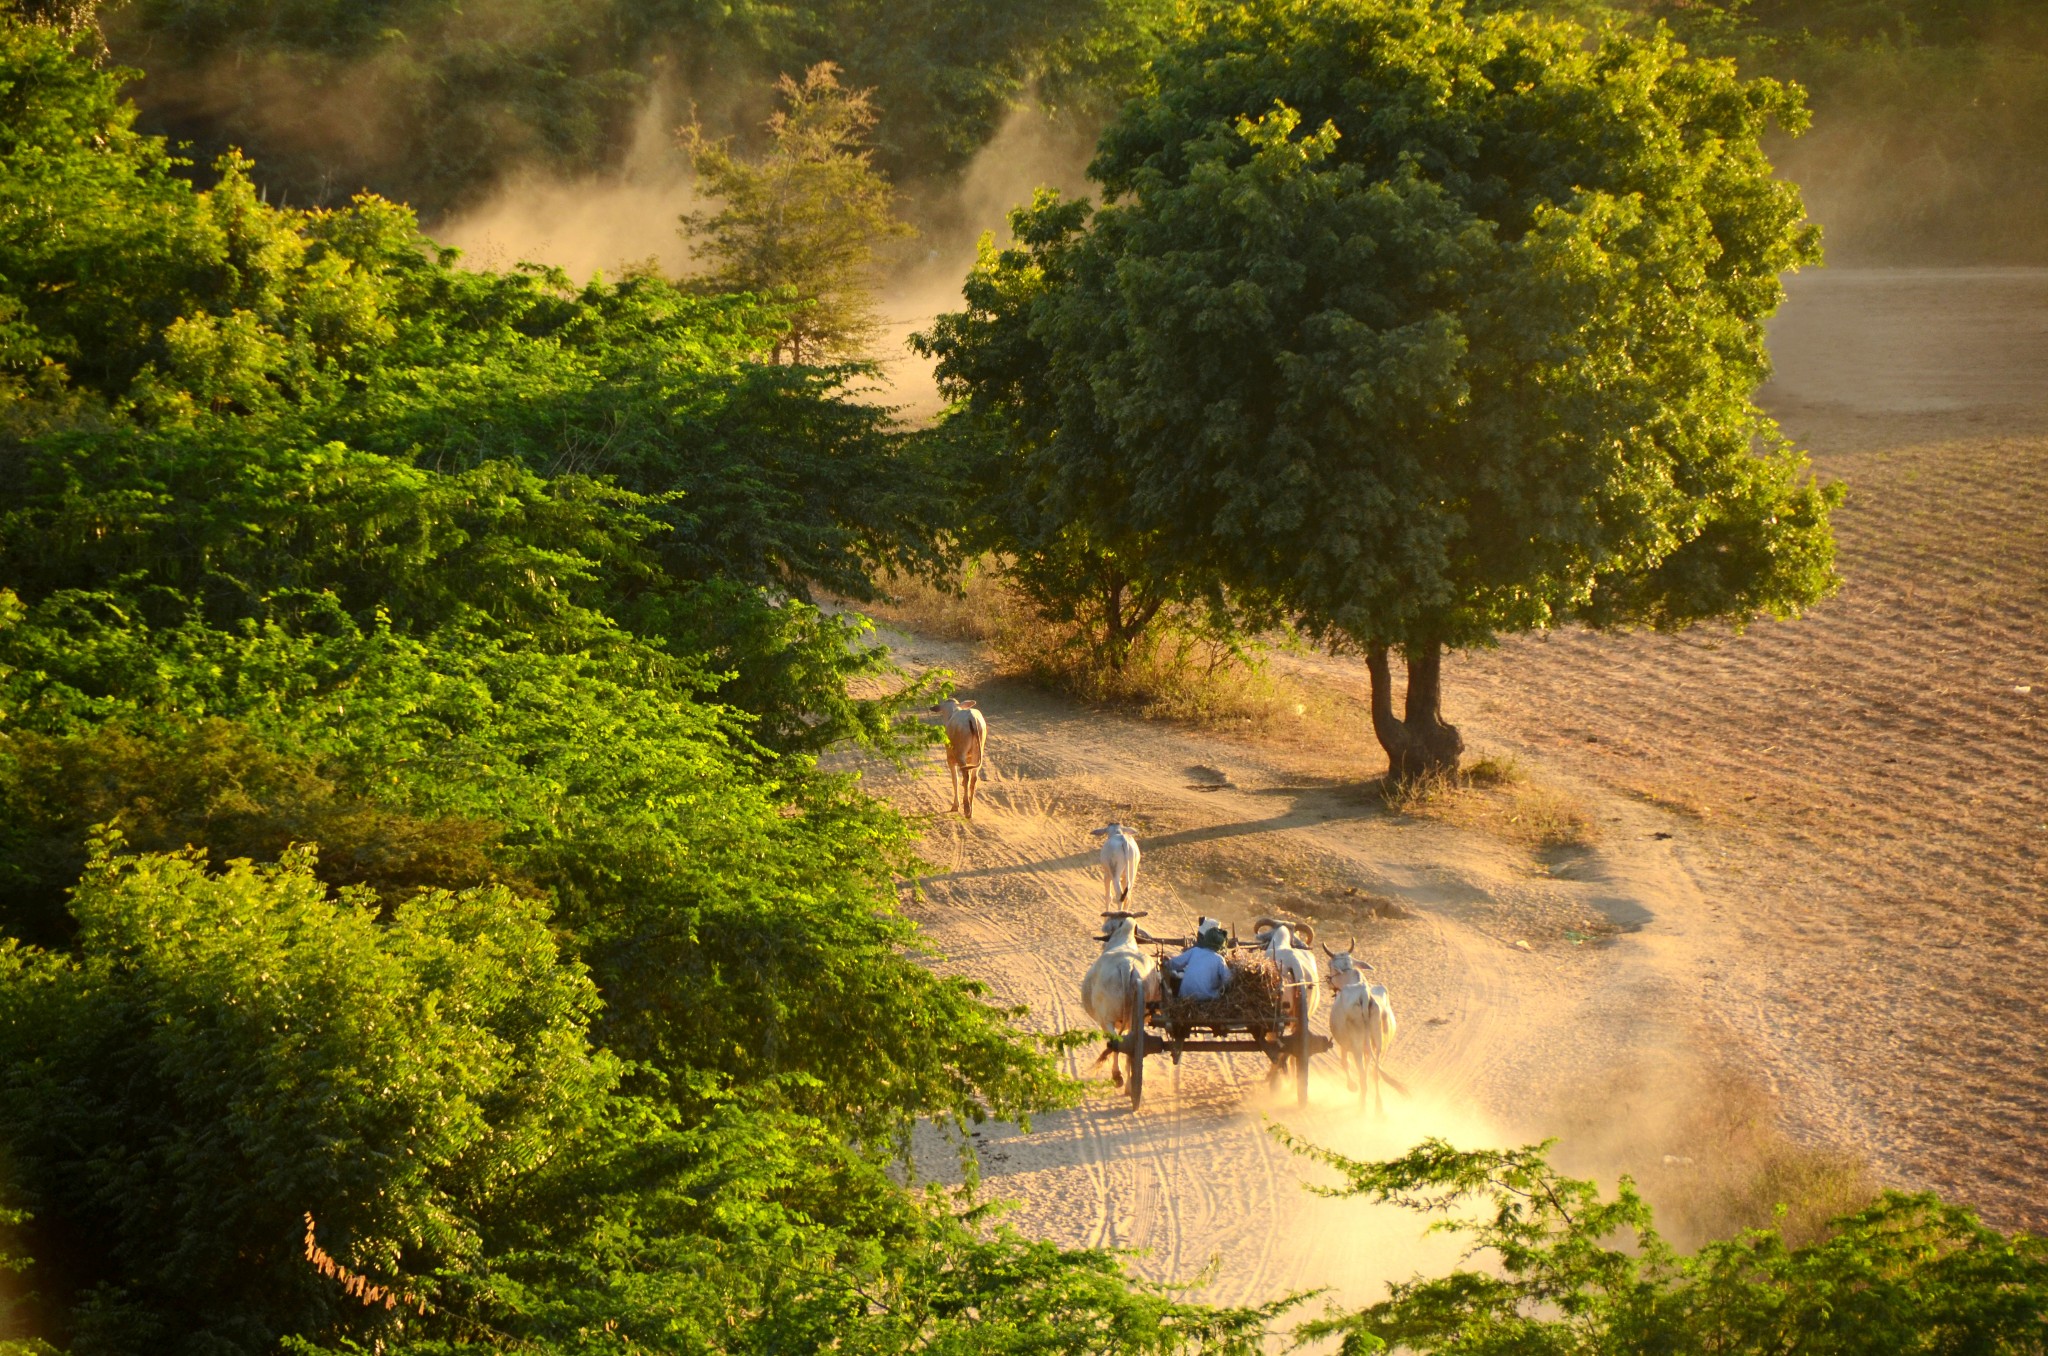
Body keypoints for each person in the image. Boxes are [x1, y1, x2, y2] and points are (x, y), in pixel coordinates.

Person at [1165, 916, 1231, 1001]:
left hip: (1185, 995)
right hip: (1207, 997)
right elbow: (1228, 979)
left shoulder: (1195, 951)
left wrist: (1166, 963)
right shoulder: (1219, 959)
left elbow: (1175, 963)